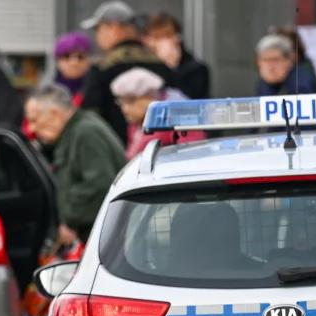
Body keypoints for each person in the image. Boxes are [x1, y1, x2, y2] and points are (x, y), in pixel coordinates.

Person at [24, 83, 124, 244]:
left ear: (54, 114)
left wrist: (70, 219)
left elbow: (99, 184)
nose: (32, 128)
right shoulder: (76, 130)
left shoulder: (86, 133)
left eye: (34, 120)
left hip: (108, 236)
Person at [78, 1, 175, 144]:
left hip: (116, 153)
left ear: (114, 27)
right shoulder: (160, 64)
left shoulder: (102, 68)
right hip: (159, 150)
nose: (97, 37)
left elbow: (90, 115)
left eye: (98, 29)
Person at [111, 67, 205, 159]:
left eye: (130, 101)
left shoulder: (180, 119)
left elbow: (191, 156)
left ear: (151, 96)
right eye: (121, 102)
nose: (124, 109)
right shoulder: (136, 124)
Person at [142, 12, 210, 99]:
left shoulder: (196, 69)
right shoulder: (146, 65)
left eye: (162, 37)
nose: (155, 44)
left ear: (176, 38)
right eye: (153, 38)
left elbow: (191, 100)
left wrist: (171, 67)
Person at [53, 32, 93, 105]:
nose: (74, 62)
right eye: (66, 56)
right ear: (58, 61)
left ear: (88, 60)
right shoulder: (48, 89)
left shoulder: (99, 88)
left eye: (80, 56)